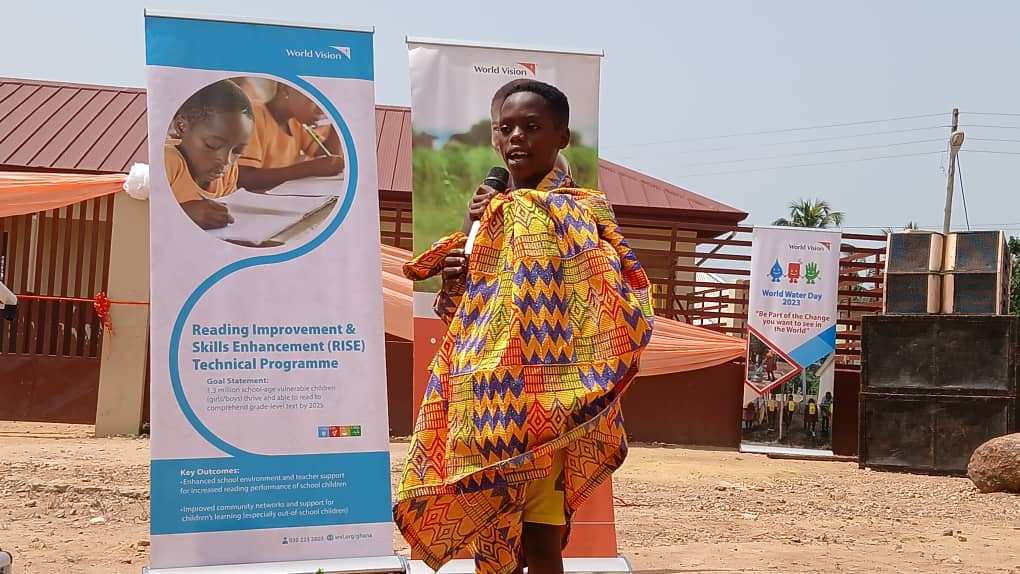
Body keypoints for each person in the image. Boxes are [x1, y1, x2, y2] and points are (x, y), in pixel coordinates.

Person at [394, 80, 654, 574]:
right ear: (493, 140)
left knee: (541, 542)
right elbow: (468, 315)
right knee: (491, 533)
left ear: (562, 136)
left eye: (532, 128)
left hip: (548, 404)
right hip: (485, 401)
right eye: (505, 128)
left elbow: (620, 286)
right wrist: (459, 272)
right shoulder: (488, 217)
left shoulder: (582, 209)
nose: (517, 138)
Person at [165, 80, 254, 230]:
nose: (226, 161)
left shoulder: (229, 170)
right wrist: (186, 213)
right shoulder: (168, 161)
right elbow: (143, 218)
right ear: (182, 126)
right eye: (213, 145)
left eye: (237, 151)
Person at [236, 81, 345, 191]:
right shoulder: (254, 115)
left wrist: (338, 119)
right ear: (286, 89)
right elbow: (244, 178)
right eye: (315, 99)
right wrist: (309, 168)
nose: (322, 110)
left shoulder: (295, 122)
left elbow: (331, 160)